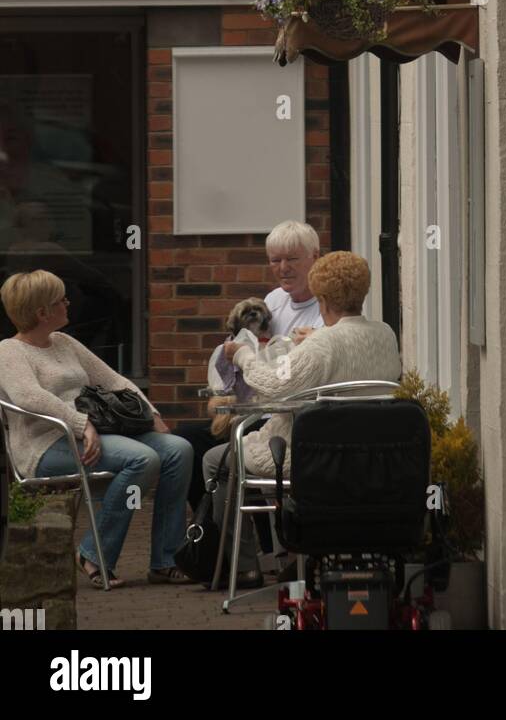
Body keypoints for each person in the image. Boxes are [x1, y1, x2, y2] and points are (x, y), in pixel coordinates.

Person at [201, 250, 400, 588]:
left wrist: (246, 356)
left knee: (213, 461)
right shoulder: (385, 334)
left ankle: (242, 569)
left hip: (313, 457)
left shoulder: (323, 343)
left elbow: (275, 387)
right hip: (371, 457)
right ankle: (297, 562)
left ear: (321, 298)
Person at [0, 269, 193, 588]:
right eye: (61, 299)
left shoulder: (62, 341)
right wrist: (81, 424)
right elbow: (29, 396)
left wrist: (151, 412)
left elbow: (112, 379)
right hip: (45, 444)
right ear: (42, 312)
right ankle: (94, 554)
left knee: (178, 450)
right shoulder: (9, 351)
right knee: (143, 459)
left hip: (95, 432)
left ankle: (166, 559)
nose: (68, 303)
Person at [176, 220, 325, 513]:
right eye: (275, 260)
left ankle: (252, 542)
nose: (284, 267)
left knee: (217, 458)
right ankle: (210, 534)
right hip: (253, 409)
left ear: (315, 257)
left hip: (284, 419)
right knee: (184, 445)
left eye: (293, 259)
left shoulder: (325, 310)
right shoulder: (273, 300)